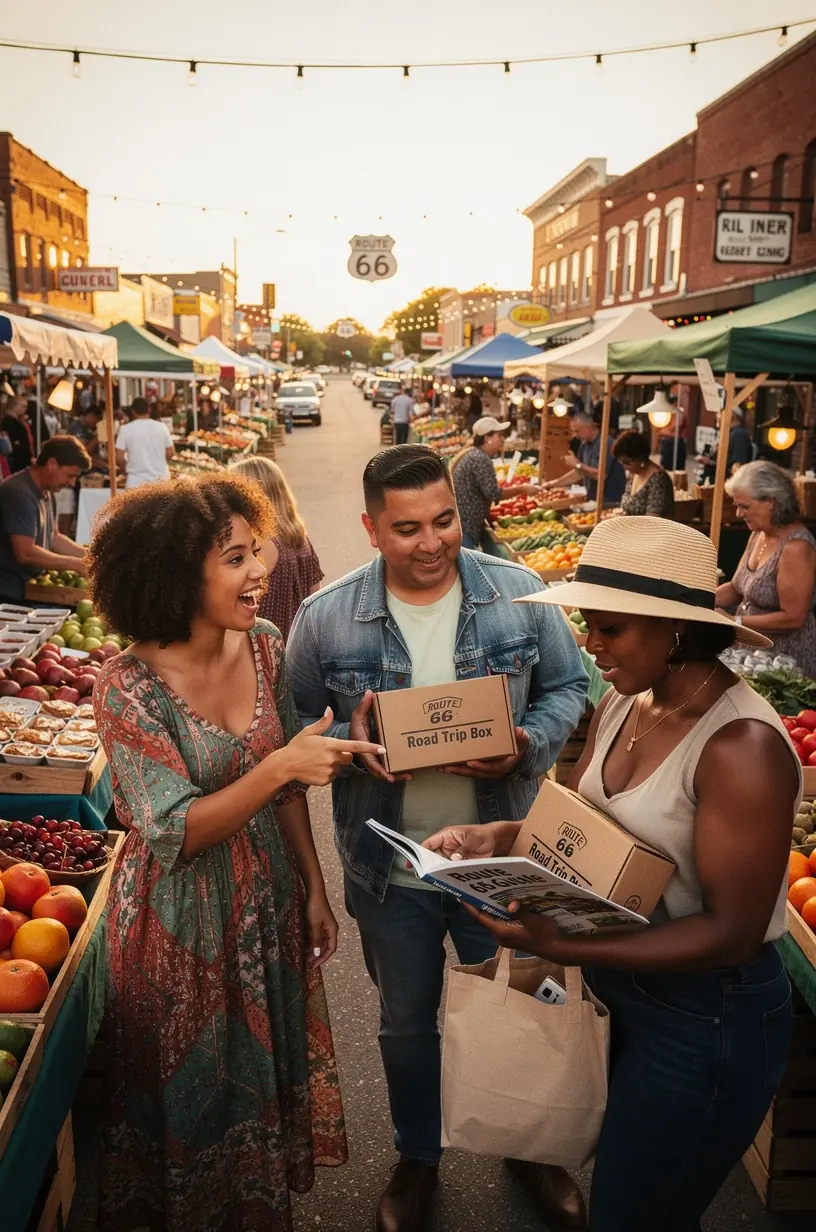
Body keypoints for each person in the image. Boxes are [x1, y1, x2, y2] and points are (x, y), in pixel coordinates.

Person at [426, 515, 800, 1232]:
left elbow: (732, 933)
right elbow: (586, 833)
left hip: (705, 1015)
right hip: (622, 989)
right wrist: (495, 837)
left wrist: (567, 946)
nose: (589, 643)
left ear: (677, 630)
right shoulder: (626, 700)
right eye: (587, 623)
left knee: (635, 1212)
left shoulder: (741, 746)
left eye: (610, 628)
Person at [287, 445, 588, 1232]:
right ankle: (418, 1155)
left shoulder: (520, 593)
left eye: (445, 520)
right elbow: (294, 727)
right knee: (406, 1025)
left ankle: (529, 1145)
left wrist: (525, 742)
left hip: (501, 861)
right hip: (391, 868)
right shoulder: (325, 617)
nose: (432, 542)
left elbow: (569, 686)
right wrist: (344, 742)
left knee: (522, 1003)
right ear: (371, 529)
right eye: (408, 528)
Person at [87, 475, 385, 1231]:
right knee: (192, 1095)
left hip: (265, 903)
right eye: (235, 559)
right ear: (175, 576)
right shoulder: (126, 687)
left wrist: (312, 886)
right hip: (174, 926)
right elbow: (175, 830)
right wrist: (279, 766)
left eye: (256, 551)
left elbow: (286, 792)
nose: (261, 569)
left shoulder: (265, 645)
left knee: (255, 1084)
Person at [716, 459, 816, 675]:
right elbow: (736, 588)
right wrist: (699, 598)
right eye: (737, 505)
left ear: (771, 502)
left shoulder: (796, 548)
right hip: (752, 653)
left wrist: (735, 621)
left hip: (784, 662)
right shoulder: (758, 534)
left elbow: (794, 617)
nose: (738, 514)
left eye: (745, 506)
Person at [230, 456, 324, 641]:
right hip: (297, 642)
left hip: (265, 643)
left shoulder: (260, 544)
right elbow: (317, 595)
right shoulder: (300, 538)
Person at [0, 435, 90, 602]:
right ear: (52, 464)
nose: (72, 482)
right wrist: (74, 564)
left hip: (33, 589)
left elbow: (54, 537)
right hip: (10, 595)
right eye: (70, 475)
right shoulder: (19, 493)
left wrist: (89, 555)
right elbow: (25, 552)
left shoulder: (47, 490)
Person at [452, 416, 539, 550]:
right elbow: (494, 494)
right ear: (487, 438)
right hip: (466, 527)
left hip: (462, 523)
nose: (503, 440)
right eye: (499, 435)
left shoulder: (473, 454)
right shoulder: (480, 459)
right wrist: (523, 489)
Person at [547, 410, 626, 506]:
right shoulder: (584, 446)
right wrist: (553, 484)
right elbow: (579, 472)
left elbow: (601, 475)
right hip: (592, 499)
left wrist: (577, 464)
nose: (575, 435)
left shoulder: (606, 444)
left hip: (609, 502)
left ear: (588, 427)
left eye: (577, 431)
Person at [115, 395, 175, 488]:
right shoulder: (162, 427)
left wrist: (126, 468)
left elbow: (119, 458)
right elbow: (170, 453)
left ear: (133, 411)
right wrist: (158, 463)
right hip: (161, 480)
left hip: (136, 481)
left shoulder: (125, 430)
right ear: (149, 410)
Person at [613, 430, 675, 518]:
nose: (624, 467)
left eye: (627, 462)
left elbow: (653, 517)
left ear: (640, 458)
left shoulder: (657, 479)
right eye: (621, 463)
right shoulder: (633, 474)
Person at [698, 407, 754, 483]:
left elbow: (738, 466)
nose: (717, 426)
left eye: (719, 422)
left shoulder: (739, 435)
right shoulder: (732, 434)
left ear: (730, 417)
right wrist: (710, 462)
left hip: (727, 484)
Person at [1, 395, 35, 472]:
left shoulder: (19, 421)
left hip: (22, 458)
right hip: (17, 459)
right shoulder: (9, 422)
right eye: (22, 407)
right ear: (14, 406)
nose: (25, 409)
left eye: (26, 407)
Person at [658, 394, 687, 473]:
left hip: (676, 440)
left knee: (678, 466)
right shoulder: (665, 412)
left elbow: (680, 425)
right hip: (667, 440)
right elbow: (674, 426)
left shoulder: (678, 412)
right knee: (667, 465)